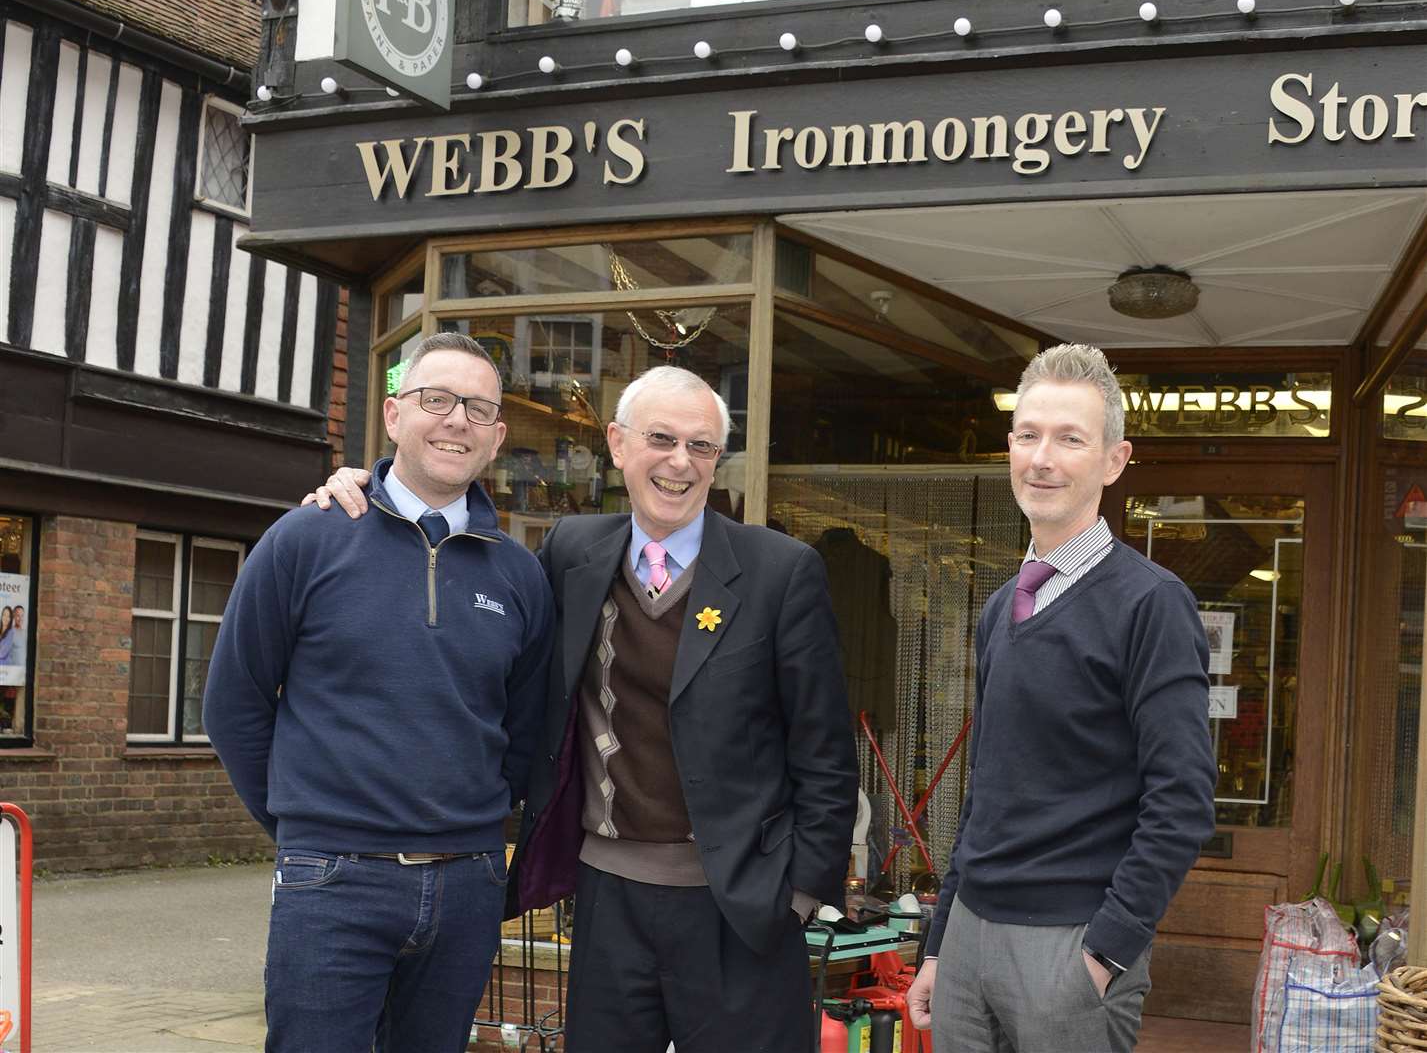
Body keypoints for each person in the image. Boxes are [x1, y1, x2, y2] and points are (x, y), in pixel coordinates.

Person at [312, 364, 859, 1053]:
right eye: (660, 438)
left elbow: (825, 752)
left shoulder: (781, 571)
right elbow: (467, 589)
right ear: (618, 445)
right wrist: (369, 492)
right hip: (606, 899)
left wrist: (799, 895)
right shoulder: (571, 550)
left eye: (701, 446)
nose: (679, 463)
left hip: (739, 905)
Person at [204, 332, 554, 1053]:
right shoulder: (305, 539)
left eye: (477, 408)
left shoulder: (519, 575)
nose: (457, 419)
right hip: (332, 881)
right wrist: (306, 829)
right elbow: (233, 705)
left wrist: (477, 832)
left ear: (496, 436)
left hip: (467, 885)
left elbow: (526, 730)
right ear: (393, 415)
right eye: (437, 400)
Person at [906, 343, 1217, 1053]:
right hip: (968, 946)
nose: (1042, 457)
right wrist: (938, 942)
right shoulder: (1000, 608)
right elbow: (986, 789)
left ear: (1112, 460)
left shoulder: (1151, 604)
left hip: (1066, 950)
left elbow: (1182, 799)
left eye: (1069, 439)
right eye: (1027, 435)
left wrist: (1102, 955)